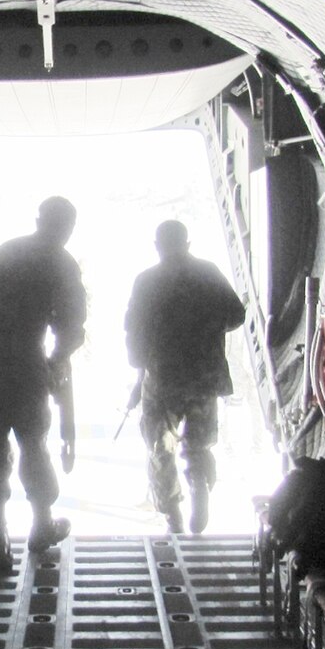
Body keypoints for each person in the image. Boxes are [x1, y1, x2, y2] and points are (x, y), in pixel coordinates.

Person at [0, 196, 86, 573]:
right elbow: (72, 327)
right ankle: (41, 525)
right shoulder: (62, 262)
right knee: (33, 446)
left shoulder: (6, 252)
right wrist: (57, 360)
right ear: (68, 227)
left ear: (38, 219)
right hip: (24, 365)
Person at [123, 221, 247, 533]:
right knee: (199, 444)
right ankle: (200, 484)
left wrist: (139, 368)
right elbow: (236, 314)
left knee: (160, 446)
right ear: (188, 243)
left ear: (157, 245)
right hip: (204, 375)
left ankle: (172, 514)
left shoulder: (147, 281)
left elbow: (134, 329)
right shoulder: (208, 272)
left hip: (163, 378)